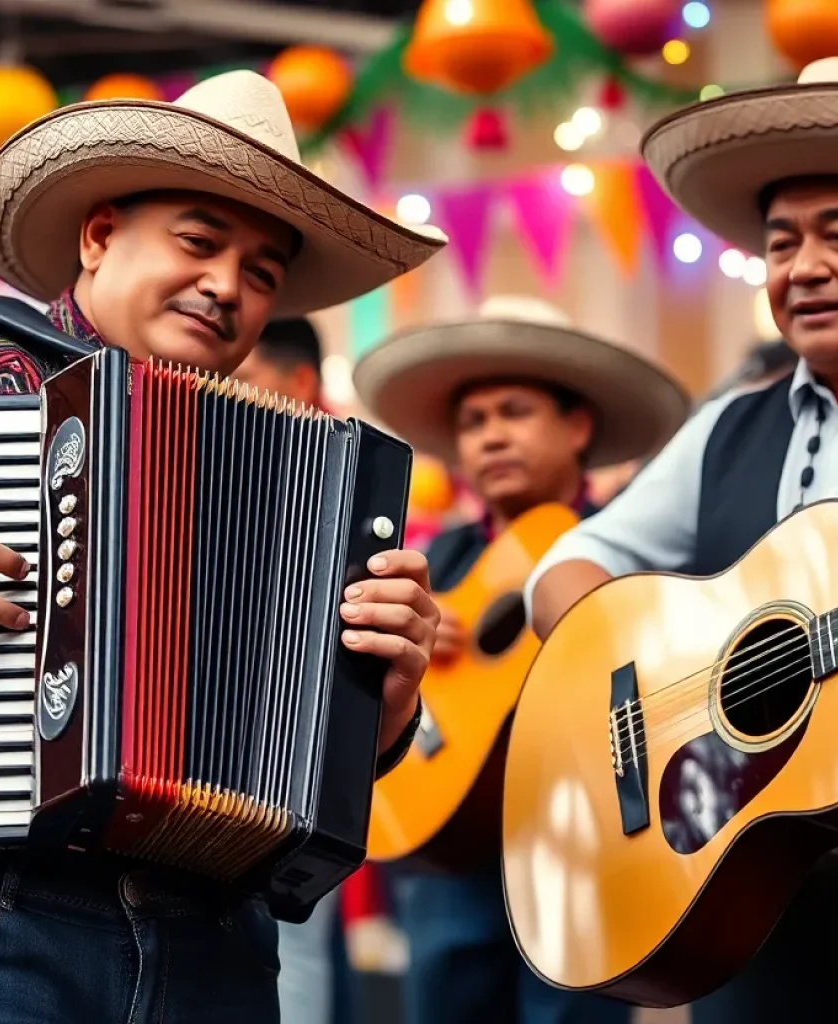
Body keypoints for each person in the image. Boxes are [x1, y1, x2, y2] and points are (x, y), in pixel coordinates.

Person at [0, 69, 448, 1022]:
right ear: (101, 235)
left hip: (212, 945)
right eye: (199, 240)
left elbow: (306, 773)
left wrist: (381, 717)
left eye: (262, 272)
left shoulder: (307, 476)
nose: (227, 285)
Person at [525, 57, 838, 1024]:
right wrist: (667, 672)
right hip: (754, 910)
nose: (802, 267)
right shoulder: (728, 428)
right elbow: (562, 570)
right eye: (782, 244)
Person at [352, 294, 689, 1024]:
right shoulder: (435, 558)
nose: (491, 436)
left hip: (587, 847)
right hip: (449, 857)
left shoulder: (627, 549)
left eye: (514, 412)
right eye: (473, 423)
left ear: (577, 426)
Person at [234, 315, 344, 1024]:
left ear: (297, 383)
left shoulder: (345, 476)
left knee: (295, 962)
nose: (225, 393)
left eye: (245, 380)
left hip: (305, 769)